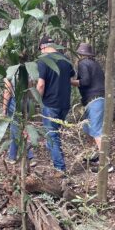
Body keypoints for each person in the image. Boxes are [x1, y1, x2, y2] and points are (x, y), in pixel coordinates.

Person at [70, 43, 112, 172]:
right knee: (87, 127)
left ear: (80, 55)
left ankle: (107, 163)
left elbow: (85, 82)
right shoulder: (95, 64)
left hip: (94, 100)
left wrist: (70, 82)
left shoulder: (83, 64)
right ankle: (94, 154)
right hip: (96, 100)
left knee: (96, 130)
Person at [36, 36, 75, 176]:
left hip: (50, 104)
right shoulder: (65, 60)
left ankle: (60, 168)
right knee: (55, 134)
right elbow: (71, 80)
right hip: (64, 103)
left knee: (52, 136)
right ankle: (58, 162)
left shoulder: (43, 60)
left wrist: (37, 99)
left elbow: (41, 84)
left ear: (43, 47)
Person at [2, 78, 35, 165]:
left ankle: (30, 156)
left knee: (16, 130)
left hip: (15, 102)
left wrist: (4, 109)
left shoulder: (10, 74)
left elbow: (7, 92)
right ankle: (12, 156)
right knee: (17, 129)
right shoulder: (27, 72)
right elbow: (30, 89)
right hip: (26, 101)